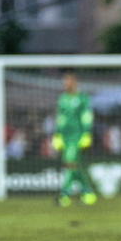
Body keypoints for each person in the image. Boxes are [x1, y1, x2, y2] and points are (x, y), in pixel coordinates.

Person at [53, 72, 96, 206]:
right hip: (65, 137)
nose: (66, 84)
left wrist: (86, 133)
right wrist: (57, 134)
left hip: (77, 136)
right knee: (74, 165)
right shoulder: (62, 99)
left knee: (70, 162)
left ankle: (65, 195)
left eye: (68, 81)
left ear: (74, 82)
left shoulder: (83, 98)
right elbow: (60, 118)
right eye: (64, 82)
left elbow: (86, 116)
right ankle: (88, 192)